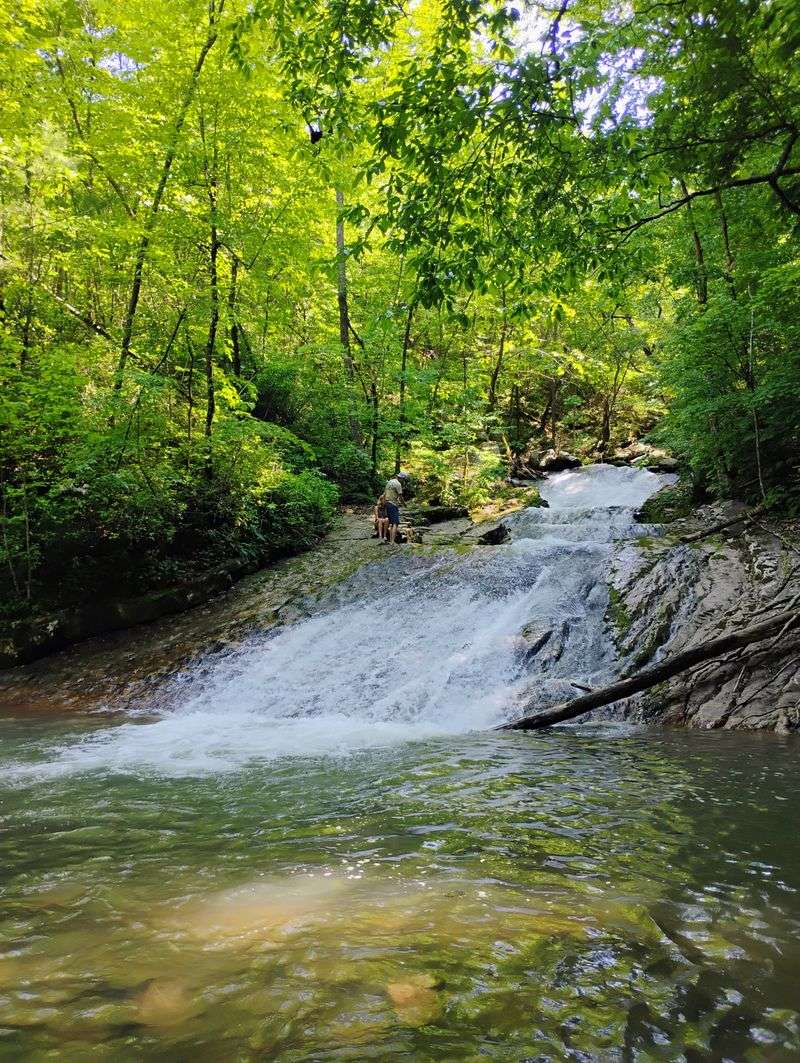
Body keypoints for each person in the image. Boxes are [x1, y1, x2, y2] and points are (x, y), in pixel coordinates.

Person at [383, 472, 407, 544]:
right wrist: (404, 504)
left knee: (390, 522)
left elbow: (385, 493)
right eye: (403, 479)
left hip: (386, 503)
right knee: (395, 523)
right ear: (401, 478)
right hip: (392, 504)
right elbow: (400, 496)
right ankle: (392, 541)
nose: (403, 480)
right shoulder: (398, 484)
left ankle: (385, 537)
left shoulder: (390, 481)